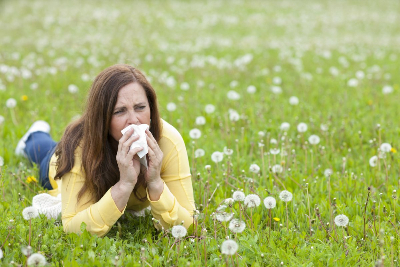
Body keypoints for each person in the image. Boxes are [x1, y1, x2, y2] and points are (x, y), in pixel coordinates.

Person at [15, 64, 196, 237]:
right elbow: (72, 228)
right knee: (41, 151)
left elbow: (189, 225)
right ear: (102, 119)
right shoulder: (79, 145)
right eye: (120, 111)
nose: (134, 120)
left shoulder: (168, 140)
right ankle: (34, 134)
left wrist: (155, 182)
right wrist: (124, 185)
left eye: (140, 107)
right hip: (57, 165)